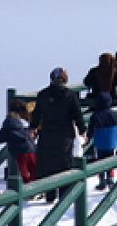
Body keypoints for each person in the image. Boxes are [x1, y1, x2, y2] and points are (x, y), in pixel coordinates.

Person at [31, 68, 85, 202]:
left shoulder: (43, 95)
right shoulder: (70, 95)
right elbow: (77, 114)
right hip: (65, 135)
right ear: (65, 80)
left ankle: (50, 195)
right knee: (64, 164)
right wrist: (83, 130)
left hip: (47, 134)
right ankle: (64, 195)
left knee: (48, 165)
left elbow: (37, 114)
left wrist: (32, 128)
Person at [0, 100, 37, 183]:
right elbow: (24, 134)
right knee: (34, 170)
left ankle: (29, 190)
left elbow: (1, 136)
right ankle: (36, 189)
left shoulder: (9, 122)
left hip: (20, 151)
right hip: (29, 148)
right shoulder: (18, 124)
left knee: (24, 173)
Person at [87, 92, 117, 190]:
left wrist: (88, 138)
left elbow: (91, 130)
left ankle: (102, 181)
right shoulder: (114, 114)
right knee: (111, 160)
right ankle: (110, 179)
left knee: (100, 162)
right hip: (111, 142)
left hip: (99, 143)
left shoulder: (95, 115)